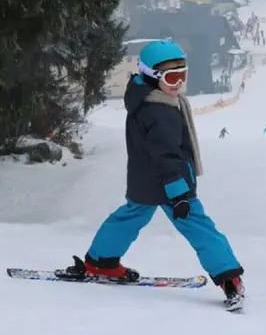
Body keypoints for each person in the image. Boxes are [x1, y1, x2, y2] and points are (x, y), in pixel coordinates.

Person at [61, 40, 245, 303]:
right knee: (199, 226)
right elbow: (166, 155)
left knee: (128, 217)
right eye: (171, 77)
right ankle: (228, 275)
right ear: (152, 75)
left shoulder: (144, 98)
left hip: (144, 179)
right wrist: (178, 193)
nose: (178, 83)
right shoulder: (160, 111)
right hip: (170, 181)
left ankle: (101, 261)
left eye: (182, 75)